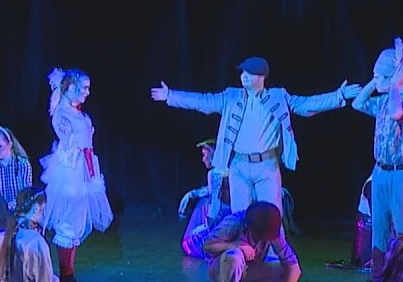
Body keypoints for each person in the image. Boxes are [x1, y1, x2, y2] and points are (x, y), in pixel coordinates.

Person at [151, 56, 360, 214]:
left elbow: (307, 105)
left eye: (249, 73)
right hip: (239, 166)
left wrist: (338, 95)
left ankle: (274, 256)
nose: (243, 76)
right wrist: (170, 96)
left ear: (261, 77)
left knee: (271, 217)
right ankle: (243, 254)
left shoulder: (278, 97)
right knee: (240, 218)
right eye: (242, 72)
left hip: (267, 166)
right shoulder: (230, 97)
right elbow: (203, 101)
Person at [349, 38, 403, 282]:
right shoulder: (382, 101)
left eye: (379, 76)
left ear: (394, 78)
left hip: (401, 173)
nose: (375, 80)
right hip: (380, 172)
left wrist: (393, 84)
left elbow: (396, 113)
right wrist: (377, 80)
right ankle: (377, 278)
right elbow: (357, 103)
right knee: (379, 227)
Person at [40, 68, 114, 282]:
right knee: (68, 222)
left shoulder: (72, 110)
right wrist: (92, 175)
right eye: (84, 88)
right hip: (72, 171)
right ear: (71, 88)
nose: (87, 92)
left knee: (73, 222)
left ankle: (68, 275)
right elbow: (83, 147)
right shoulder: (65, 113)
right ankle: (66, 277)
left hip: (77, 168)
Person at [191, 201, 302, 282]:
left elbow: (294, 267)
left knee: (287, 272)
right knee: (234, 256)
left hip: (250, 269)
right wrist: (236, 245)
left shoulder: (273, 230)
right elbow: (206, 246)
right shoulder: (234, 223)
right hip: (221, 269)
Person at [0, 123, 32, 212]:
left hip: (19, 214)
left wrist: (9, 207)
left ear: (9, 144)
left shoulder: (23, 165)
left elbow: (26, 194)